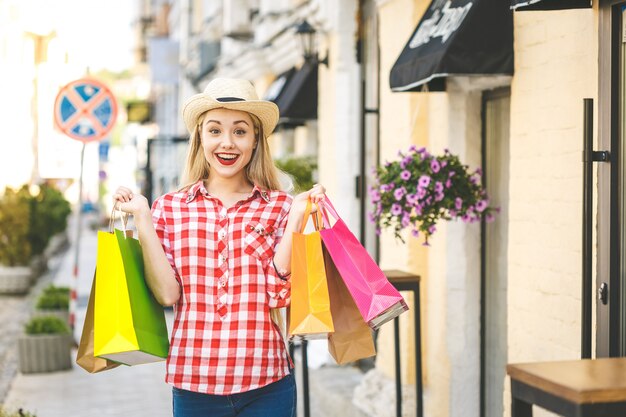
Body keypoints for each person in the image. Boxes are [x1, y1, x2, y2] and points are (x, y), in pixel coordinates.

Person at [113, 78, 325, 417]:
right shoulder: (170, 207)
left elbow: (278, 295)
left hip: (267, 381)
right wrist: (142, 216)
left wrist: (298, 216)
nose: (227, 143)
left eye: (240, 131)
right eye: (215, 130)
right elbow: (167, 295)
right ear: (200, 137)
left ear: (256, 140)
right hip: (195, 385)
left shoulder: (280, 206)